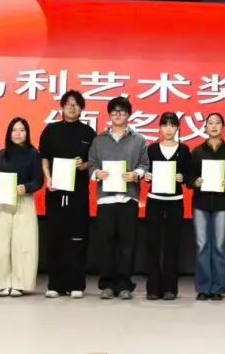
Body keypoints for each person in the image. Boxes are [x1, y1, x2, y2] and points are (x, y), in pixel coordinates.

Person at [89, 96, 150, 300]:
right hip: (105, 199)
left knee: (127, 243)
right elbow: (91, 164)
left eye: (122, 111)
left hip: (128, 198)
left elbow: (145, 164)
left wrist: (136, 174)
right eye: (114, 111)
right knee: (106, 243)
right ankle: (107, 284)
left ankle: (125, 285)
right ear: (109, 115)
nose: (117, 115)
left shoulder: (139, 140)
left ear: (128, 115)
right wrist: (97, 173)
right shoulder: (99, 140)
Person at [39, 90, 97, 299]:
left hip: (78, 192)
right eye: (68, 104)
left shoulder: (88, 133)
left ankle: (76, 284)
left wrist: (84, 165)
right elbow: (44, 158)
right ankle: (55, 284)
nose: (72, 107)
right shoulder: (51, 130)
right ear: (62, 107)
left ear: (81, 109)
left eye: (76, 104)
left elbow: (94, 161)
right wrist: (48, 178)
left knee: (77, 238)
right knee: (55, 237)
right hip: (55, 192)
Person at [188, 112, 225, 301]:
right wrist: (195, 181)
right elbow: (188, 176)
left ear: (223, 127)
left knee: (219, 246)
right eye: (210, 123)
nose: (213, 126)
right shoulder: (197, 152)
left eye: (217, 123)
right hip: (201, 204)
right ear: (205, 127)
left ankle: (218, 288)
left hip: (223, 205)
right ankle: (204, 287)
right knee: (202, 245)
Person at [0, 117, 44, 297]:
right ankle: (2, 283)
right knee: (1, 243)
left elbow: (38, 180)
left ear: (27, 133)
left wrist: (26, 187)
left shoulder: (34, 154)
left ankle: (20, 283)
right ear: (9, 133)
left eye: (22, 130)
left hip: (24, 201)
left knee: (23, 243)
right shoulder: (1, 154)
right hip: (3, 202)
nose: (18, 133)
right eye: (14, 130)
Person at [143, 112, 192, 300]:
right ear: (160, 128)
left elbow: (189, 175)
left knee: (172, 243)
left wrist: (183, 177)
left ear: (177, 128)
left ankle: (170, 288)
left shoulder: (184, 150)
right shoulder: (152, 149)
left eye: (172, 125)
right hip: (154, 199)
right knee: (153, 243)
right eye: (165, 125)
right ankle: (153, 288)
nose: (169, 129)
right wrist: (147, 176)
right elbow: (145, 170)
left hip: (175, 201)